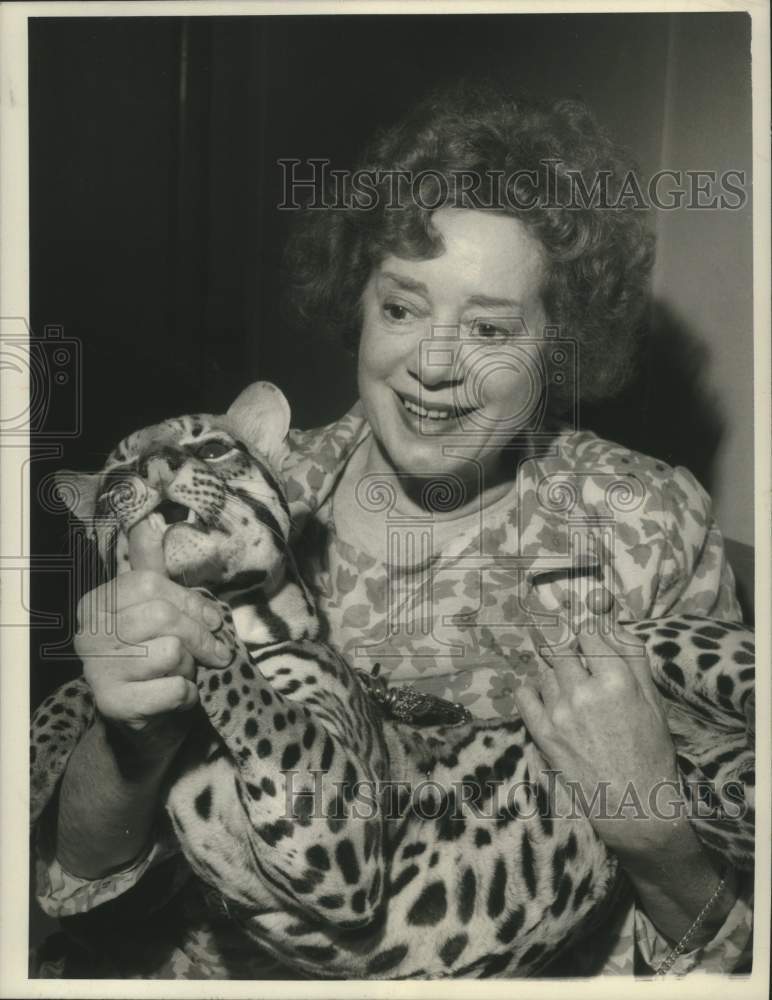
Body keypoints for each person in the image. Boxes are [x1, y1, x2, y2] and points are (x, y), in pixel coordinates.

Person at [30, 85, 753, 978]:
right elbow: (86, 885)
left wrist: (651, 831)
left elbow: (722, 950)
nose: (434, 365)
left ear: (558, 345)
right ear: (358, 303)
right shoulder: (223, 502)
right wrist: (128, 741)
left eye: (490, 326)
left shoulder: (646, 526)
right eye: (403, 308)